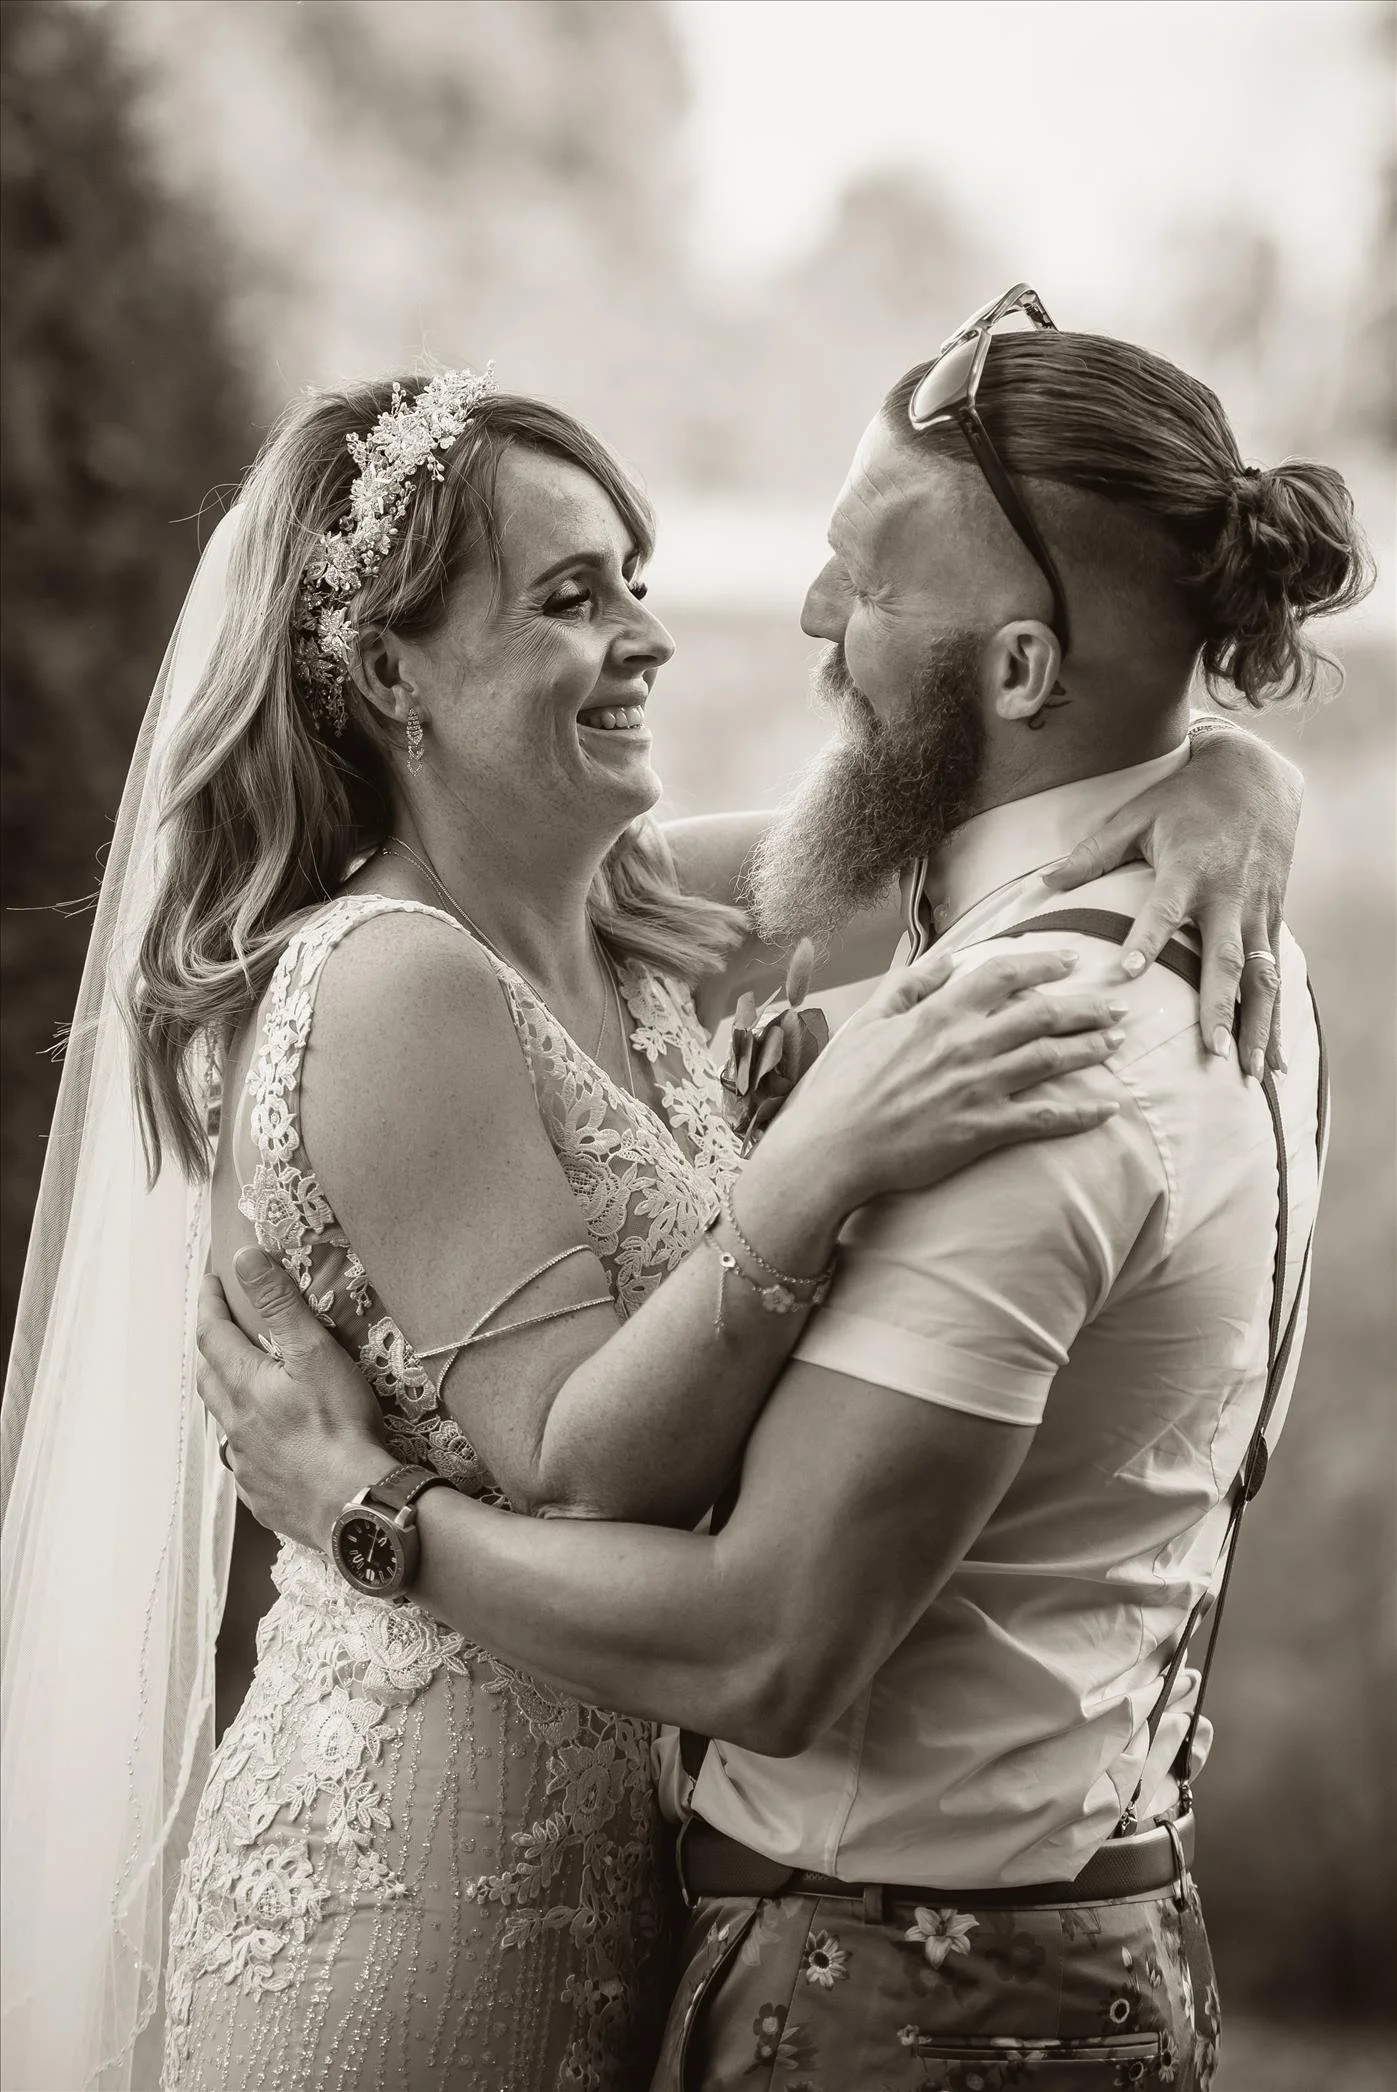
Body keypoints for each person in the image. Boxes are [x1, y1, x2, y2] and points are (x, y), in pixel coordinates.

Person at [0, 352, 1304, 2092]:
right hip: (421, 1876)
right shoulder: (392, 985)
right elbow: (569, 1465)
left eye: (633, 578)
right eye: (569, 597)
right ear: (388, 674)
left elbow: (1012, 814)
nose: (650, 636)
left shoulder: (637, 916)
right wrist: (811, 1164)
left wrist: (1233, 778)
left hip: (645, 1881)